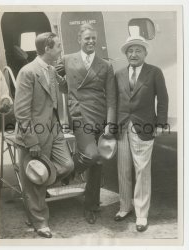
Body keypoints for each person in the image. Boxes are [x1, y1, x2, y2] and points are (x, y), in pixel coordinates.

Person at [14, 32, 74, 238]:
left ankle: (38, 188)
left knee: (67, 165)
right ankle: (40, 223)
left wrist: (64, 74)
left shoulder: (51, 69)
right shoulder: (28, 72)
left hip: (54, 129)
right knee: (35, 179)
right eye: (58, 46)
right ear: (47, 49)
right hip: (35, 133)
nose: (61, 50)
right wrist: (31, 141)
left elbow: (65, 88)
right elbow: (21, 112)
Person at [57, 23, 116, 224]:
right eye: (87, 38)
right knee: (91, 155)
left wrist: (110, 123)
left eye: (93, 38)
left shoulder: (106, 65)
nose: (90, 41)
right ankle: (70, 170)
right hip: (79, 114)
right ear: (79, 40)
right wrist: (63, 86)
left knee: (98, 162)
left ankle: (91, 205)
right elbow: (50, 74)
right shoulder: (66, 59)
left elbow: (111, 97)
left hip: (100, 115)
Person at [115, 35, 168, 232]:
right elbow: (115, 102)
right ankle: (124, 207)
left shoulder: (154, 72)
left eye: (138, 50)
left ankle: (141, 214)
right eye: (130, 50)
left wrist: (161, 123)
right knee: (123, 169)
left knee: (142, 171)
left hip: (144, 127)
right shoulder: (119, 74)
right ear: (126, 54)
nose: (133, 54)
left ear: (145, 53)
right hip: (121, 127)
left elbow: (162, 99)